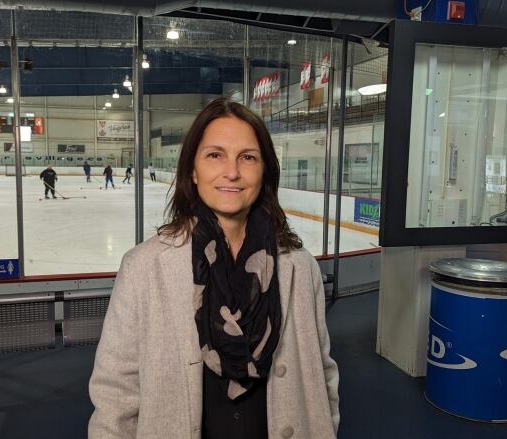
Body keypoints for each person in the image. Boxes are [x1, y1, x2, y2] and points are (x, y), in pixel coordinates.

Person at [88, 97, 339, 439]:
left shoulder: (299, 265)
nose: (232, 172)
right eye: (215, 155)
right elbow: (116, 394)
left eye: (247, 157)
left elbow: (323, 375)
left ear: (264, 169)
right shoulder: (143, 268)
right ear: (193, 170)